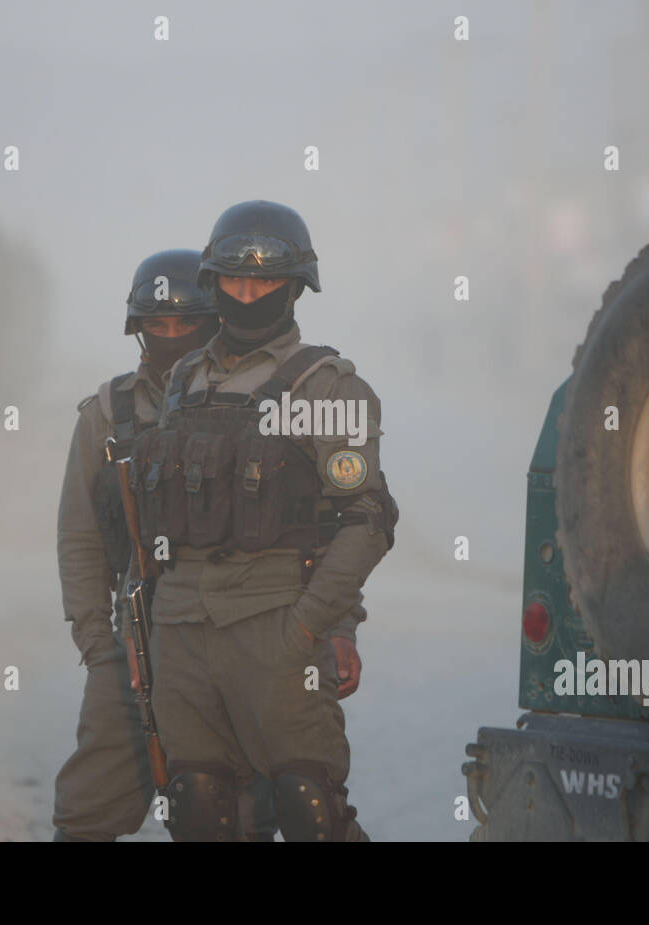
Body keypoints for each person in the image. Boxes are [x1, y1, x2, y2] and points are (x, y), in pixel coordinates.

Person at [52, 248, 370, 841]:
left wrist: (332, 626)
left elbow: (326, 524)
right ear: (138, 329)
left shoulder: (263, 392)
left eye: (187, 324)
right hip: (139, 634)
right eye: (157, 324)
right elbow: (80, 538)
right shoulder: (109, 411)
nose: (172, 336)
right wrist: (100, 644)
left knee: (260, 808)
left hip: (236, 630)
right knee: (92, 808)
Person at [133, 201, 398, 842]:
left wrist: (314, 625)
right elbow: (153, 522)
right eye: (234, 279)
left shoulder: (324, 387)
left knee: (311, 808)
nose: (247, 294)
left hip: (275, 623)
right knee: (198, 806)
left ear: (295, 286)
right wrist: (141, 629)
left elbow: (365, 521)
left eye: (266, 282)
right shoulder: (182, 383)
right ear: (213, 282)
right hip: (180, 631)